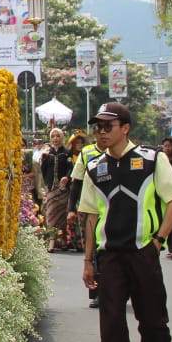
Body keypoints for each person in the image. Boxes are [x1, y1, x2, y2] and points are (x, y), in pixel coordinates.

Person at [78, 102, 172, 342]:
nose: (101, 132)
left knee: (153, 322)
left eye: (107, 126)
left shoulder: (153, 160)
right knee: (111, 325)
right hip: (110, 257)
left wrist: (158, 240)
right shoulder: (95, 167)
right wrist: (87, 261)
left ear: (125, 128)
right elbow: (89, 216)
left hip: (143, 255)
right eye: (97, 126)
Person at [68, 131, 105, 307]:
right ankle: (97, 292)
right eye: (100, 129)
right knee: (94, 250)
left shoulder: (119, 152)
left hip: (112, 209)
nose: (104, 133)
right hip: (90, 209)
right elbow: (76, 182)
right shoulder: (87, 153)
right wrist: (71, 209)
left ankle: (115, 288)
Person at [40, 128, 72, 250]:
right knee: (50, 214)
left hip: (63, 189)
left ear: (62, 137)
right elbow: (43, 170)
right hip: (51, 188)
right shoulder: (48, 153)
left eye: (57, 136)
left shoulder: (67, 152)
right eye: (53, 136)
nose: (55, 138)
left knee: (63, 215)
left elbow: (71, 167)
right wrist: (44, 159)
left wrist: (67, 177)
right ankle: (52, 241)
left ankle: (63, 239)